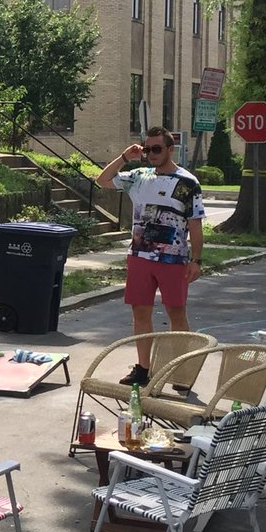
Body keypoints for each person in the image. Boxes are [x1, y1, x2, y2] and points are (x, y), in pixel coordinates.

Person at [97, 126, 204, 387]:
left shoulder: (186, 182)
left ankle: (182, 371)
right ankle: (143, 369)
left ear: (170, 150)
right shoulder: (139, 176)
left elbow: (195, 225)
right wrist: (124, 156)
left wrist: (196, 260)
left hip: (173, 259)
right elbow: (102, 180)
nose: (151, 154)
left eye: (157, 149)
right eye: (147, 149)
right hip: (140, 257)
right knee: (140, 312)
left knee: (176, 313)